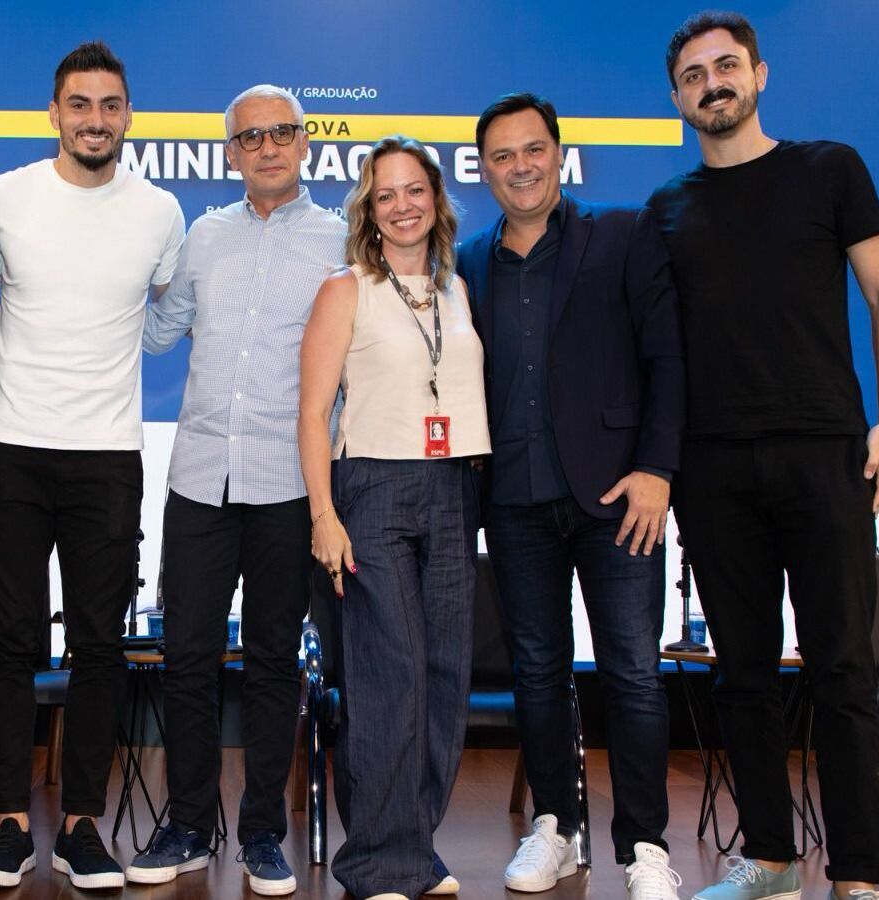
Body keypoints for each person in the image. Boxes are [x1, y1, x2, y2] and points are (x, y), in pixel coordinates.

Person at [646, 11, 879, 900]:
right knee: (743, 675)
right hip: (713, 470)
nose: (712, 83)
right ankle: (769, 858)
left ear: (761, 75)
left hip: (825, 455)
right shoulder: (667, 210)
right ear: (678, 97)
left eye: (727, 66)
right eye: (694, 75)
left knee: (842, 666)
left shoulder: (829, 169)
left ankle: (857, 875)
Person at [0, 40, 185, 891]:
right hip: (12, 448)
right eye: (79, 104)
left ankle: (84, 826)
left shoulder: (160, 212)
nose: (95, 120)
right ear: (53, 114)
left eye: (110, 105)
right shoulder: (4, 196)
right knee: (8, 643)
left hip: (109, 456)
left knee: (99, 646)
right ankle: (11, 825)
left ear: (128, 114)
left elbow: (162, 310)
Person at [457, 92, 685, 899]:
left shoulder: (621, 234)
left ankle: (646, 846)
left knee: (631, 673)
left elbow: (667, 358)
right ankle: (555, 826)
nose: (520, 166)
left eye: (533, 150)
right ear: (482, 170)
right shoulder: (470, 260)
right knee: (538, 670)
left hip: (620, 499)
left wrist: (658, 469)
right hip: (513, 501)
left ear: (559, 154)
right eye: (502, 156)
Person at [127, 84, 345, 896]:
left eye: (281, 133)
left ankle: (260, 833)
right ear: (231, 153)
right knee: (184, 654)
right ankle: (187, 823)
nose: (267, 147)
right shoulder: (203, 237)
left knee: (270, 663)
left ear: (305, 142)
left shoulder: (340, 238)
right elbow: (154, 330)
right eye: (250, 137)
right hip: (199, 479)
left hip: (291, 481)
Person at [299, 135, 489, 900]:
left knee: (443, 678)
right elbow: (312, 413)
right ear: (369, 211)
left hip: (455, 491)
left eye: (416, 191)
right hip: (371, 490)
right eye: (387, 194)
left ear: (437, 202)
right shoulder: (345, 290)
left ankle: (417, 849)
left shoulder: (456, 290)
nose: (403, 205)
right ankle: (375, 861)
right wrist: (323, 515)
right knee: (389, 678)